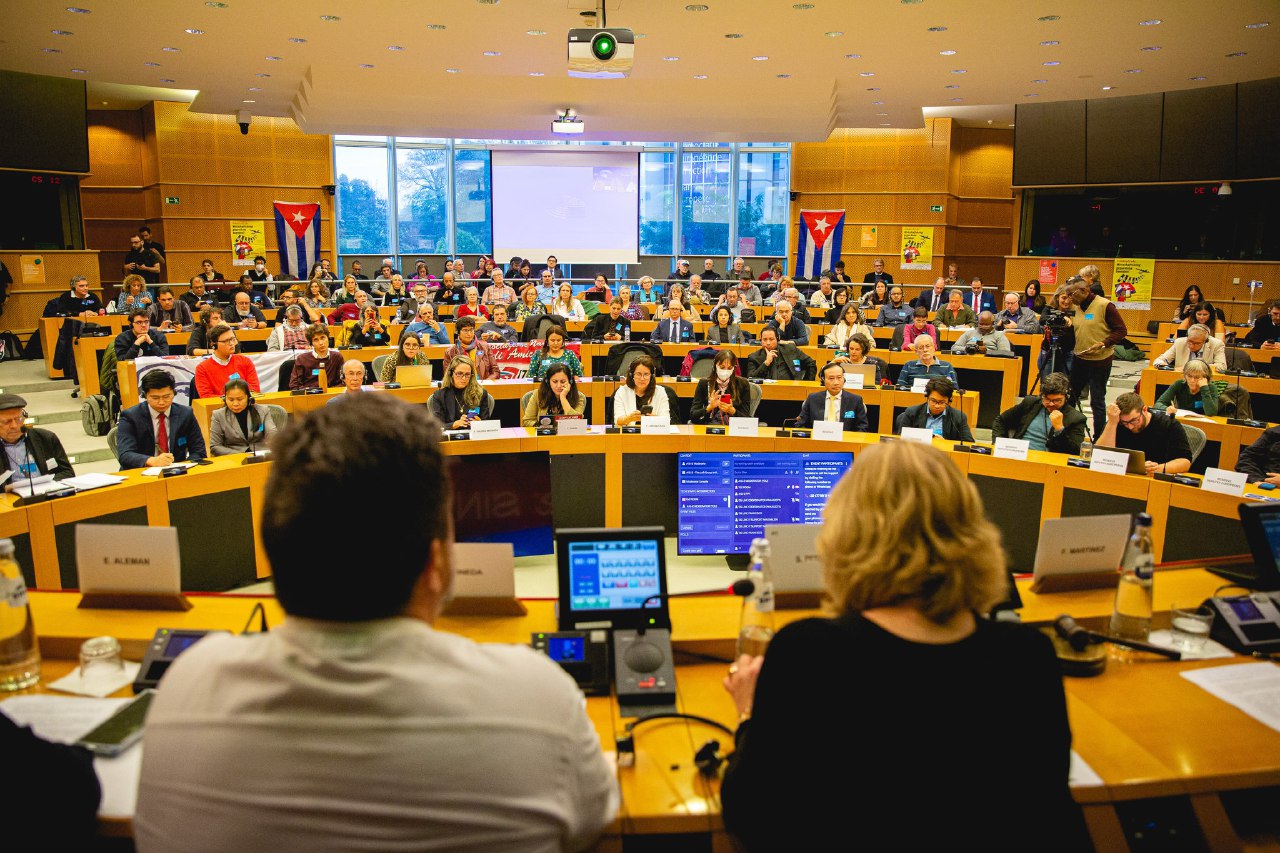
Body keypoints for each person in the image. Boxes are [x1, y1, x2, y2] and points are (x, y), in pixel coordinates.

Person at [136, 392, 619, 848]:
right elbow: (595, 823)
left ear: (276, 550)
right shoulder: (538, 699)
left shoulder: (186, 687)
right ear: (436, 565)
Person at [720, 439, 1085, 852]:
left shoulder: (811, 652)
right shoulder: (1027, 655)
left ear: (845, 536)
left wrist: (748, 713)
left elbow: (750, 814)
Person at [1066, 276, 1127, 439]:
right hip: (1080, 359)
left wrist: (1104, 343)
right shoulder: (1078, 307)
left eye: (1072, 295)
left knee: (1097, 401)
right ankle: (1067, 431)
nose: (1070, 299)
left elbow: (1121, 330)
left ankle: (1099, 437)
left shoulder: (1105, 305)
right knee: (1070, 397)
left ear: (1084, 291)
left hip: (1100, 361)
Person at [116, 370, 207, 469]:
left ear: (174, 393)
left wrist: (183, 466)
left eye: (166, 397)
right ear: (145, 396)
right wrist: (151, 460)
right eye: (155, 398)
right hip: (142, 471)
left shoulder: (186, 414)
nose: (161, 402)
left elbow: (199, 451)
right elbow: (125, 454)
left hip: (177, 471)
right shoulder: (130, 416)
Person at [1097, 391, 1192, 475]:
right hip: (1123, 477)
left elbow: (1185, 462)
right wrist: (1112, 423)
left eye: (1134, 420)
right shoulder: (1116, 421)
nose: (1130, 426)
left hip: (1155, 480)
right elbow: (1100, 456)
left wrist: (1156, 469)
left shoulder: (1169, 425)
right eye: (1125, 423)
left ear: (1144, 410)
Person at [990, 372, 1085, 454]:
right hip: (1019, 454)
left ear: (1066, 397)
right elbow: (1000, 420)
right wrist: (999, 444)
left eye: (1057, 400)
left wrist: (1059, 429)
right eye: (1047, 399)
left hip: (1049, 464)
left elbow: (1075, 452)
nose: (1051, 404)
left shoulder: (1076, 418)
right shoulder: (1030, 403)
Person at [0, 392, 74, 481]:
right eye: (7, 422)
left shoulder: (45, 438)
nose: (14, 426)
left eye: (18, 419)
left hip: (46, 491)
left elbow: (67, 473)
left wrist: (45, 485)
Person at [208, 378, 278, 456]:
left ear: (248, 397)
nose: (235, 403)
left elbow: (272, 434)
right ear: (225, 399)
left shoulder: (262, 411)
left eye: (240, 399)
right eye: (231, 400)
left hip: (261, 455)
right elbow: (215, 446)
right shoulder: (218, 415)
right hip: (233, 457)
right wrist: (241, 455)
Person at [794, 362, 869, 432]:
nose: (836, 382)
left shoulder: (855, 400)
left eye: (839, 377)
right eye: (831, 378)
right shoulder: (812, 398)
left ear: (844, 378)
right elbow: (800, 424)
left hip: (844, 443)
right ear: (823, 379)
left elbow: (863, 427)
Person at [894, 377, 974, 441]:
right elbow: (901, 439)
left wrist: (945, 443)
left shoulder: (958, 417)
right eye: (933, 401)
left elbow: (968, 443)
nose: (937, 406)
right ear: (927, 397)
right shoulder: (912, 412)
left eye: (942, 402)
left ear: (949, 400)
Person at [194, 325, 261, 399]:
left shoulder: (245, 361)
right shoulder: (202, 368)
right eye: (226, 341)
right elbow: (206, 397)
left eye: (233, 339)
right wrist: (233, 400)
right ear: (213, 344)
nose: (232, 343)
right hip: (218, 408)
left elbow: (255, 390)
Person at [429, 356, 496, 428]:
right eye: (459, 374)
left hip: (473, 436)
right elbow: (437, 426)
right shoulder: (439, 395)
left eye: (467, 374)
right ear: (451, 374)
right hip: (449, 437)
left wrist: (479, 424)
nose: (463, 378)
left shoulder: (481, 393)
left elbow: (487, 424)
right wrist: (454, 425)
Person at [690, 350, 752, 425]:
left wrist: (732, 411)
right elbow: (693, 416)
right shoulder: (704, 383)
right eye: (722, 367)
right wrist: (709, 407)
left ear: (733, 368)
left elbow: (747, 419)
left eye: (729, 368)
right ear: (715, 366)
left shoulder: (743, 384)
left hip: (733, 428)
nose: (725, 371)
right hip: (708, 428)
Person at [521, 363, 586, 426]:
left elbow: (577, 422)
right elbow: (527, 421)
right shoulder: (537, 394)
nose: (559, 385)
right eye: (555, 381)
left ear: (570, 381)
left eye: (563, 382)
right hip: (544, 435)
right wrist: (541, 426)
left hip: (568, 436)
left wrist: (563, 397)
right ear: (548, 381)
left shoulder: (579, 397)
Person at [1156, 359, 1226, 417]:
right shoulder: (1179, 384)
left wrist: (1204, 388)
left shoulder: (1211, 388)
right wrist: (1167, 409)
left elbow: (1211, 412)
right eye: (1189, 376)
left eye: (1197, 377)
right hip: (1183, 420)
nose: (1192, 380)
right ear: (1184, 375)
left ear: (1205, 378)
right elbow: (1158, 403)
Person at [613, 355, 670, 425]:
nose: (642, 378)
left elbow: (666, 420)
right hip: (630, 434)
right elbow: (617, 421)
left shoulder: (660, 392)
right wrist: (628, 418)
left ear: (651, 376)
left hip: (652, 433)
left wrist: (655, 419)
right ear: (631, 375)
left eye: (646, 374)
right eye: (638, 374)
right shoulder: (621, 392)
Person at [288, 324, 344, 391]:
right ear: (311, 343)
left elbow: (343, 382)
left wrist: (328, 392)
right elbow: (295, 386)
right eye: (316, 340)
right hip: (309, 396)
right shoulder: (302, 359)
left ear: (328, 338)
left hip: (331, 395)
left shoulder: (337, 357)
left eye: (322, 338)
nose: (321, 343)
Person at [747, 327, 815, 381]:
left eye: (771, 339)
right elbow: (751, 379)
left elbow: (811, 363)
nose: (768, 343)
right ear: (761, 341)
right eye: (765, 339)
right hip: (766, 392)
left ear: (777, 339)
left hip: (792, 389)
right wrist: (766, 363)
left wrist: (806, 382)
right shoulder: (754, 357)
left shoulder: (790, 349)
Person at [443, 315, 500, 380]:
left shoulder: (485, 347)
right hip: (461, 387)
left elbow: (495, 372)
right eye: (465, 330)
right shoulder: (450, 352)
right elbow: (448, 376)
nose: (469, 334)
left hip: (482, 385)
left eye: (471, 330)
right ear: (458, 332)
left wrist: (484, 383)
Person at [1151, 323, 1226, 372]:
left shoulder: (1217, 344)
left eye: (1197, 343)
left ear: (1205, 341)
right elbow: (1159, 360)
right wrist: (1166, 366)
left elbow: (1222, 366)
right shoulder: (1179, 342)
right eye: (1190, 341)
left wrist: (1193, 368)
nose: (1191, 346)